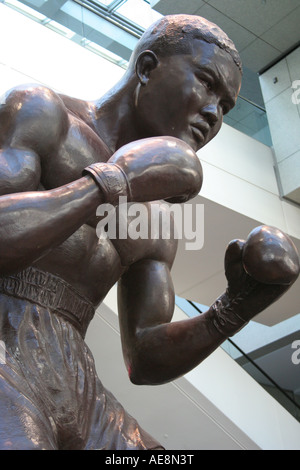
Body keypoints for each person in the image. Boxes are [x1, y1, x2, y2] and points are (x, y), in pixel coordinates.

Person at [0, 14, 298, 450]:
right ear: (146, 68)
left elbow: (145, 358)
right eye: (207, 83)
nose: (215, 112)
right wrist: (112, 182)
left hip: (74, 383)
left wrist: (234, 309)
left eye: (228, 106)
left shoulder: (157, 218)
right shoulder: (44, 114)